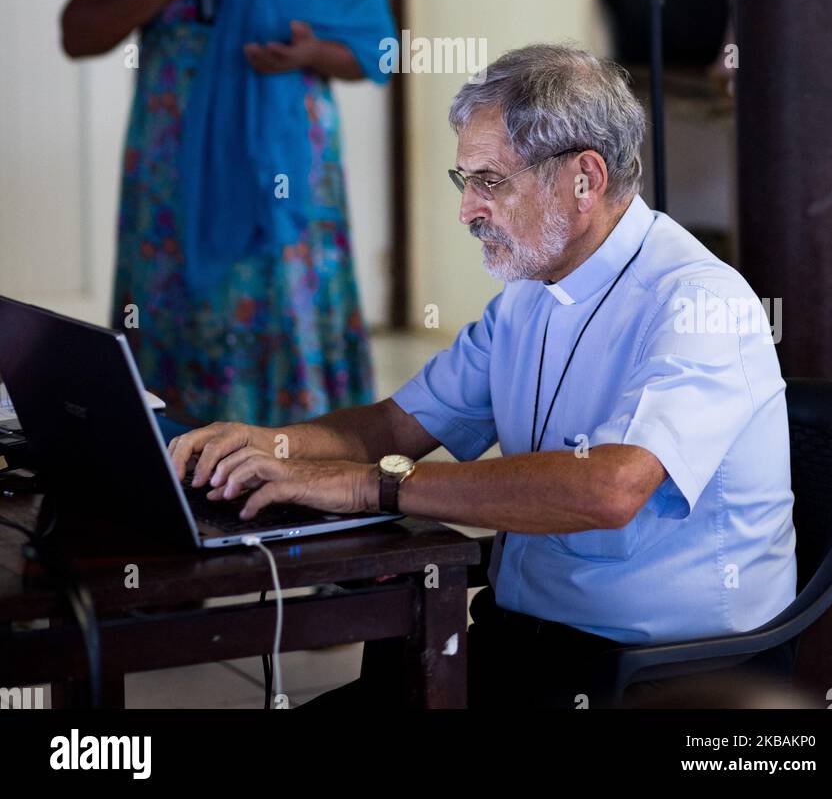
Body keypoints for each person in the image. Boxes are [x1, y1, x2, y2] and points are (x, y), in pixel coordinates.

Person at [167, 42, 798, 708]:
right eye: (463, 179)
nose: (468, 210)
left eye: (491, 181)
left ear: (584, 178)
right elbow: (396, 424)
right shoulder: (532, 287)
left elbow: (609, 488)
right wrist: (270, 445)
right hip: (528, 643)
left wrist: (370, 487)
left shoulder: (700, 301)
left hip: (662, 677)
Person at [61, 0, 396, 427]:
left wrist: (310, 52)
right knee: (175, 293)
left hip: (287, 166)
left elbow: (377, 52)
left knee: (282, 294)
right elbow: (79, 33)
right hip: (175, 160)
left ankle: (299, 458)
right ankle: (172, 458)